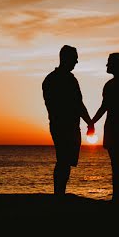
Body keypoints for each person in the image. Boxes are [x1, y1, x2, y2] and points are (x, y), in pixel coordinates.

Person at [42, 45, 94, 197]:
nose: (77, 62)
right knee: (64, 161)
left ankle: (60, 193)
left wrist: (88, 122)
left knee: (64, 161)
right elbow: (77, 104)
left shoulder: (52, 79)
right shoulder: (62, 80)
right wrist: (89, 122)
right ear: (67, 58)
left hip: (62, 125)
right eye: (75, 58)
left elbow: (76, 103)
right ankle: (59, 194)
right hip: (64, 126)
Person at [90, 52, 119, 205]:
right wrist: (92, 122)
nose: (106, 65)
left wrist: (92, 122)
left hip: (116, 126)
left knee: (116, 163)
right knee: (117, 163)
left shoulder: (114, 85)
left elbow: (105, 107)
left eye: (109, 62)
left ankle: (118, 197)